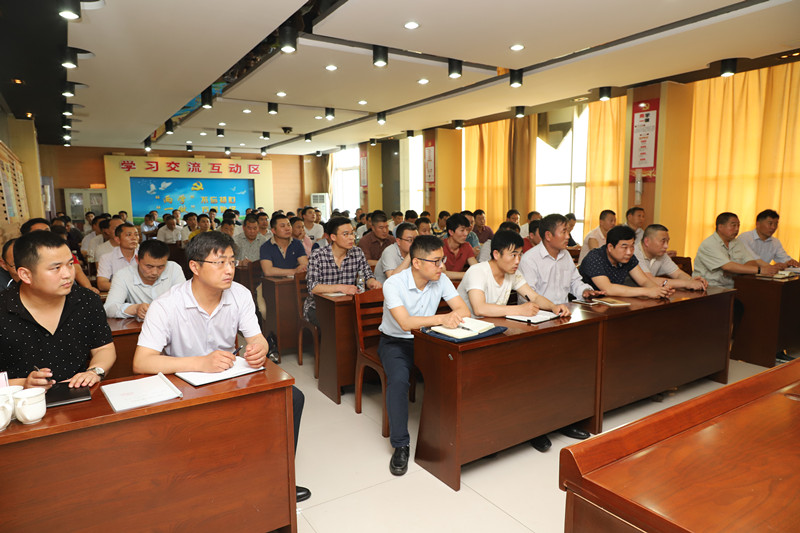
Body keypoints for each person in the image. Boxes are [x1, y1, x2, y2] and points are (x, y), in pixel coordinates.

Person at [131, 232, 312, 503]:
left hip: (229, 376)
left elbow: (257, 338)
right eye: (219, 263)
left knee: (291, 397)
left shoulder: (239, 294)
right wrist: (201, 363)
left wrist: (259, 349)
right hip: (184, 383)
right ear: (195, 267)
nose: (229, 269)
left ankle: (280, 478)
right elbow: (141, 361)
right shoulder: (166, 305)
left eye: (231, 261)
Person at [378, 235, 470, 476]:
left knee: (456, 372)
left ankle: (452, 437)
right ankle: (401, 445)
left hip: (429, 340)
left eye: (443, 260)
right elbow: (406, 323)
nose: (442, 266)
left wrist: (448, 319)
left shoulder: (441, 279)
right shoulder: (394, 284)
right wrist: (442, 318)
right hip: (395, 342)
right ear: (416, 262)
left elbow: (464, 310)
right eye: (436, 261)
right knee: (399, 381)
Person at [0, 231, 116, 389]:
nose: (68, 274)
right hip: (18, 400)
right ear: (26, 275)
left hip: (78, 394)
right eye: (56, 268)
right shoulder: (3, 307)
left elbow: (104, 348)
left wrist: (94, 371)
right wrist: (23, 384)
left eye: (70, 264)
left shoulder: (87, 300)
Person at [458, 229, 570, 318]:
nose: (517, 261)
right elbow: (479, 309)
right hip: (468, 329)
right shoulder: (477, 271)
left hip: (494, 326)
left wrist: (553, 307)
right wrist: (519, 309)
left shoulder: (513, 273)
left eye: (520, 255)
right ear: (496, 254)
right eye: (513, 255)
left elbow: (534, 297)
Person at [303, 217, 380, 327]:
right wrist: (341, 287)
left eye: (352, 233)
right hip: (319, 306)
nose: (351, 238)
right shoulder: (318, 255)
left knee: (372, 319)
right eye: (345, 234)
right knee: (337, 323)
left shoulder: (357, 252)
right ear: (333, 237)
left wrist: (372, 282)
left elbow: (367, 275)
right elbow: (313, 287)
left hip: (348, 305)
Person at [519, 214, 602, 311]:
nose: (568, 236)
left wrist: (585, 291)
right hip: (538, 314)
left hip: (563, 312)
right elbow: (528, 297)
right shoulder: (529, 259)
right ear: (548, 236)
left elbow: (574, 282)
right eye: (564, 232)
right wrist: (551, 307)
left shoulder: (565, 255)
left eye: (568, 232)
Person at [579, 225, 673, 298]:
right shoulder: (595, 257)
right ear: (610, 247)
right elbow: (608, 289)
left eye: (632, 246)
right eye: (624, 247)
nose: (629, 252)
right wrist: (648, 291)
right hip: (586, 304)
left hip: (612, 302)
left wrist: (659, 290)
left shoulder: (628, 257)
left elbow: (644, 281)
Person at [104, 239, 185, 319]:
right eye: (149, 266)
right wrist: (135, 308)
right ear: (137, 260)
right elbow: (109, 308)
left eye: (160, 267)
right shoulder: (123, 275)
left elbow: (183, 300)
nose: (154, 272)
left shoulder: (174, 269)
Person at [693, 212, 780, 288]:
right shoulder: (709, 244)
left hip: (733, 286)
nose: (737, 229)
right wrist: (760, 270)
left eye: (738, 225)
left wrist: (736, 270)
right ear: (720, 227)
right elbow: (727, 266)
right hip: (710, 288)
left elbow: (752, 262)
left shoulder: (736, 242)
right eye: (733, 225)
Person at [635, 224, 708, 290]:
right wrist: (686, 283)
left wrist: (691, 280)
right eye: (663, 241)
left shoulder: (661, 254)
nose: (666, 246)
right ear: (647, 241)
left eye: (667, 241)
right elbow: (649, 280)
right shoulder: (635, 252)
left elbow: (678, 274)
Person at [97, 222, 139, 291]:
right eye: (129, 235)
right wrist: (128, 289)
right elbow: (102, 284)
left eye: (136, 235)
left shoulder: (145, 256)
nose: (134, 238)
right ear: (117, 240)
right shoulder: (107, 258)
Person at [441, 213, 477, 280]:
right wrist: (468, 274)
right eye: (462, 230)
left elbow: (476, 268)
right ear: (451, 232)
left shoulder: (466, 246)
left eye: (467, 230)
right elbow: (441, 273)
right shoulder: (439, 247)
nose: (466, 233)